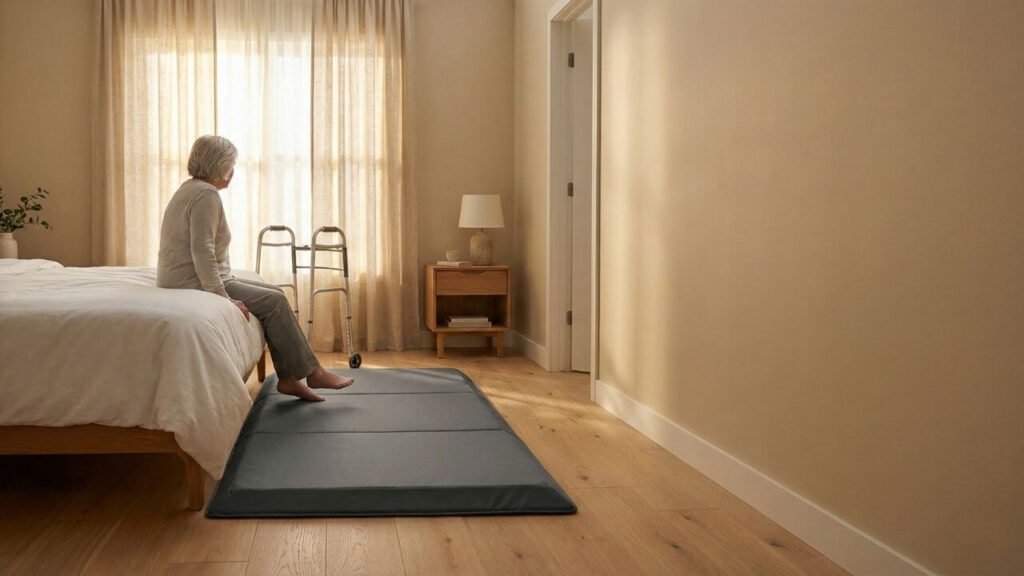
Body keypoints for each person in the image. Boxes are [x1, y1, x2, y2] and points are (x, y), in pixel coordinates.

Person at [157, 134, 353, 402]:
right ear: (217, 166)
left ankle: (289, 378)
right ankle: (311, 372)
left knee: (273, 293)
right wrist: (223, 297)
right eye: (230, 165)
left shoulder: (190, 189)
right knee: (273, 301)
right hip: (192, 281)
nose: (232, 172)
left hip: (186, 277)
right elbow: (202, 250)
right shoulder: (206, 196)